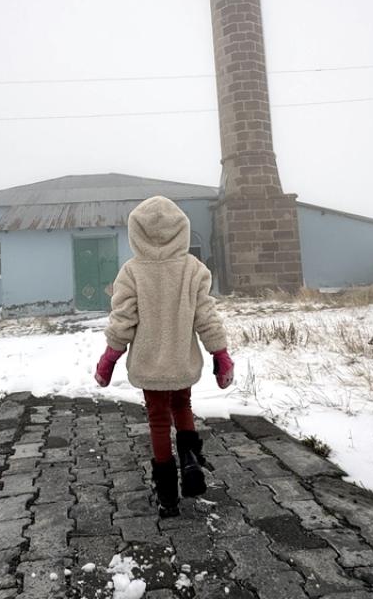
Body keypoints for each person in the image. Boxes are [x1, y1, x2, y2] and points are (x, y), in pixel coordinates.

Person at [93, 195, 235, 518]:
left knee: (158, 419)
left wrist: (109, 358)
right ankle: (190, 462)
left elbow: (122, 320)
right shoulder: (193, 270)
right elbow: (206, 316)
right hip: (181, 361)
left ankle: (168, 496)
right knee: (182, 405)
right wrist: (220, 353)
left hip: (147, 364)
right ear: (180, 229)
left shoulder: (130, 273)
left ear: (136, 232)